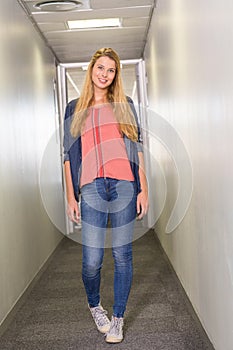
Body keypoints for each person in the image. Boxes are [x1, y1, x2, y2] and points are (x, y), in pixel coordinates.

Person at [63, 47, 148, 343]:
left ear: (115, 75)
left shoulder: (125, 103)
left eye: (111, 70)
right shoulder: (74, 108)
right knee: (91, 260)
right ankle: (95, 305)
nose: (105, 74)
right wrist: (71, 197)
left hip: (124, 183)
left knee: (122, 254)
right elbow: (67, 155)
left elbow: (137, 148)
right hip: (91, 187)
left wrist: (143, 188)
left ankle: (118, 318)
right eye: (101, 68)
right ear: (91, 69)